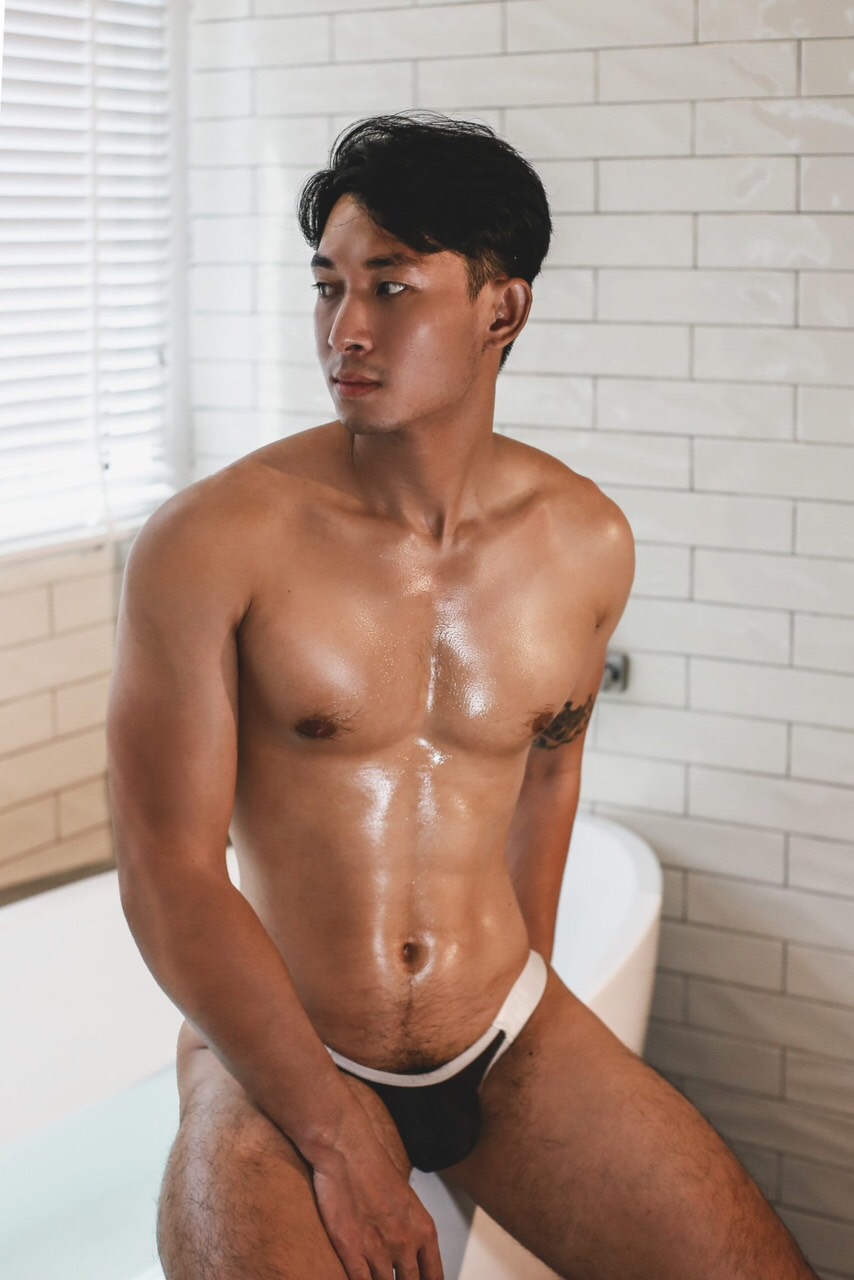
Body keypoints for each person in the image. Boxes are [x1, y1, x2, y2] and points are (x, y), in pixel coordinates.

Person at [106, 110, 818, 1280]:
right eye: (327, 285)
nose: (344, 327)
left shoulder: (584, 540)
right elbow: (165, 866)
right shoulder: (211, 541)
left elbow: (547, 776)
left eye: (389, 287)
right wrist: (336, 1136)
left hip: (503, 1029)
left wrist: (534, 1007)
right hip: (281, 1054)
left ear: (502, 308)